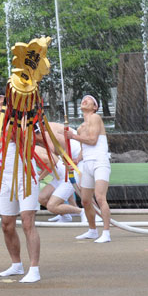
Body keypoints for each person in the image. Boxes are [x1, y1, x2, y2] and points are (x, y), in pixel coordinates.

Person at [0, 88, 41, 283]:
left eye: (2, 105)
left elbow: (35, 142)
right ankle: (16, 265)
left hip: (26, 176)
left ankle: (34, 268)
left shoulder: (22, 123)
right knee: (6, 224)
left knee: (27, 221)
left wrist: (15, 132)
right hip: (6, 179)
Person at [65, 95, 112, 243]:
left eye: (89, 99)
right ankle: (92, 230)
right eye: (83, 98)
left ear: (95, 107)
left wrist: (72, 136)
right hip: (87, 163)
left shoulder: (95, 117)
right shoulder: (80, 127)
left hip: (100, 161)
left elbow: (92, 140)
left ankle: (106, 232)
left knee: (99, 197)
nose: (84, 100)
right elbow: (84, 148)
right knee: (85, 200)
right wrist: (77, 159)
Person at [37, 123, 83, 223]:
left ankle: (86, 212)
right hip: (63, 167)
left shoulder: (48, 133)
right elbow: (54, 159)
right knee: (42, 198)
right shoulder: (39, 141)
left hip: (78, 157)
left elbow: (52, 160)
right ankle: (66, 214)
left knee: (81, 188)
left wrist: (40, 176)